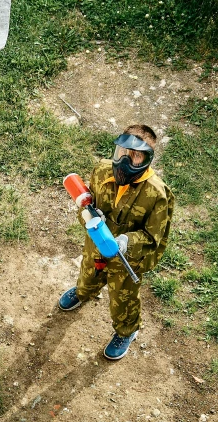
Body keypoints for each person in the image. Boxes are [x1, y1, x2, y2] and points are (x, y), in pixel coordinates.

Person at [58, 125, 174, 360]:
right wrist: (87, 216)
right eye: (122, 152)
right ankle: (83, 293)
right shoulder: (101, 171)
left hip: (126, 258)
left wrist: (125, 241)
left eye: (135, 156)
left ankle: (126, 331)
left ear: (146, 160)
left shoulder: (158, 194)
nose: (124, 161)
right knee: (88, 274)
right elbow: (87, 201)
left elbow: (154, 238)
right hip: (96, 245)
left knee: (123, 298)